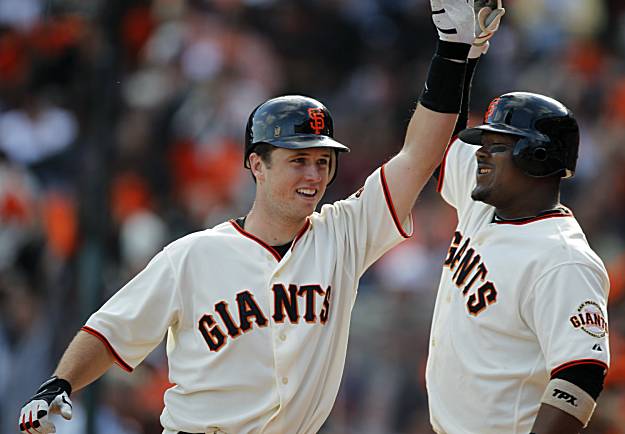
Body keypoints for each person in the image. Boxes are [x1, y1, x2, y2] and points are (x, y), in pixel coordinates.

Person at [18, 1, 503, 433]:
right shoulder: (194, 255)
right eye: (297, 160)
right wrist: (58, 383)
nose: (314, 174)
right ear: (256, 165)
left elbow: (419, 155)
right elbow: (109, 331)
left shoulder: (344, 233)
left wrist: (454, 55)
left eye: (322, 160)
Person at [427, 48, 610, 434]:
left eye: (497, 145)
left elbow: (580, 375)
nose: (481, 155)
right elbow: (437, 136)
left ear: (537, 157)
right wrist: (460, 52)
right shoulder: (481, 204)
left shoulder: (562, 258)